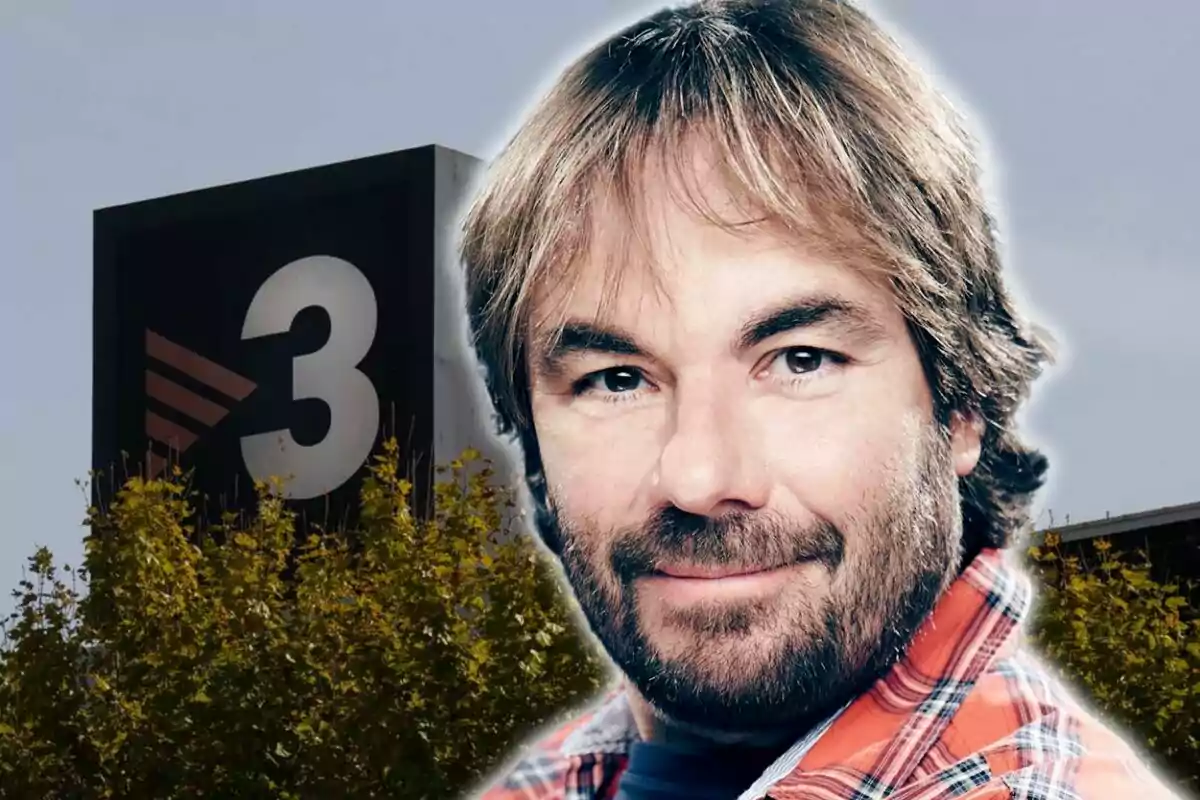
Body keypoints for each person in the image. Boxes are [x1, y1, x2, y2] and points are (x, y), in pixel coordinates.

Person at [457, 1, 1183, 797]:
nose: (699, 477)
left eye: (800, 360)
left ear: (961, 402)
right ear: (531, 435)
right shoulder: (561, 774)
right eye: (617, 378)